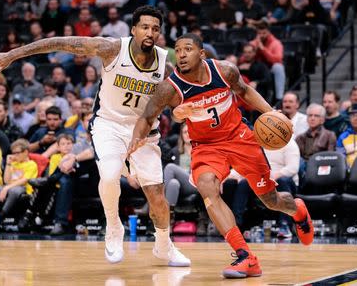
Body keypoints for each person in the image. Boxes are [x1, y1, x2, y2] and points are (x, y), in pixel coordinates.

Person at [0, 5, 190, 267]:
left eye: (155, 28)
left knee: (157, 193)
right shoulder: (111, 49)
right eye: (145, 27)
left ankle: (163, 246)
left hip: (144, 130)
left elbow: (178, 109)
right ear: (133, 29)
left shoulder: (165, 66)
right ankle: (113, 227)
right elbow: (60, 43)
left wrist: (183, 112)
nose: (150, 32)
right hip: (108, 124)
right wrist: (14, 54)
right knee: (110, 174)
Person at [128, 33, 314, 279]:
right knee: (206, 187)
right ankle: (246, 256)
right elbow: (147, 117)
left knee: (270, 200)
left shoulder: (225, 71)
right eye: (178, 50)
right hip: (206, 147)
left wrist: (271, 113)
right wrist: (136, 139)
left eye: (188, 49)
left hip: (240, 138)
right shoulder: (169, 89)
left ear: (202, 54)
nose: (181, 54)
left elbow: (245, 92)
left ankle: (297, 210)